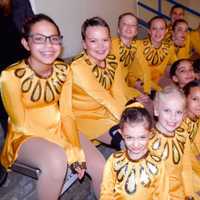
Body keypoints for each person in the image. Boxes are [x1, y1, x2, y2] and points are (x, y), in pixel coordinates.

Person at [0, 14, 86, 200]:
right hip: (25, 135)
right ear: (26, 43)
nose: (49, 45)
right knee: (57, 160)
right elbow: (21, 124)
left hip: (59, 126)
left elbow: (67, 113)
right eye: (39, 39)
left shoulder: (64, 70)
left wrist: (74, 149)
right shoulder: (10, 76)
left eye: (54, 39)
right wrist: (67, 148)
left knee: (98, 165)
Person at [100, 105, 169, 200]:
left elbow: (162, 195)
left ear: (150, 134)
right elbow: (106, 193)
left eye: (142, 137)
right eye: (129, 137)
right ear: (122, 134)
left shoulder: (158, 164)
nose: (135, 144)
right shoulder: (114, 161)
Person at [149, 86, 194, 199]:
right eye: (167, 110)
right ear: (156, 110)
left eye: (178, 112)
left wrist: (189, 194)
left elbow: (186, 168)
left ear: (184, 114)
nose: (173, 117)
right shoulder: (148, 140)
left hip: (179, 192)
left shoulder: (183, 135)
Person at [129, 16, 177, 94]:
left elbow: (177, 64)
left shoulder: (169, 47)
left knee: (174, 90)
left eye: (161, 29)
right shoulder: (139, 46)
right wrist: (158, 89)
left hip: (157, 77)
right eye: (154, 29)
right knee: (157, 93)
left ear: (166, 31)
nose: (158, 32)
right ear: (149, 31)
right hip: (138, 79)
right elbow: (144, 74)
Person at [182, 80, 200, 199]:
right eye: (195, 99)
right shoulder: (178, 123)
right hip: (183, 169)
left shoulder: (196, 118)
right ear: (185, 99)